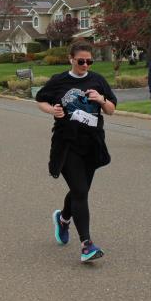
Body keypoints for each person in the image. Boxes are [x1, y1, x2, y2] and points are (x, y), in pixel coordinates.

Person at [35, 40, 117, 263]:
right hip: (67, 143)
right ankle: (86, 245)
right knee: (80, 191)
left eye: (89, 61)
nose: (85, 65)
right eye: (81, 61)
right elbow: (40, 100)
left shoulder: (97, 80)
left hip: (92, 143)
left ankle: (63, 219)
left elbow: (111, 110)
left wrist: (101, 99)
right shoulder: (59, 80)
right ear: (71, 59)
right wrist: (52, 110)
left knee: (80, 190)